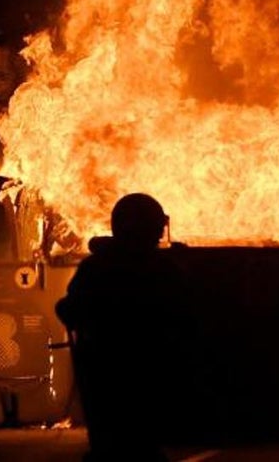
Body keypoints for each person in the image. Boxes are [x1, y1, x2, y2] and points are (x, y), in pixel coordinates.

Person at [55, 193, 194, 461]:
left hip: (103, 369)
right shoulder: (163, 269)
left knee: (109, 438)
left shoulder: (96, 267)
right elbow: (185, 315)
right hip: (148, 368)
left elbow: (70, 309)